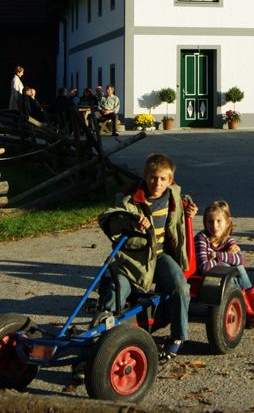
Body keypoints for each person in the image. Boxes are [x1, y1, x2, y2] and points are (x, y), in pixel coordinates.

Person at [98, 153, 198, 359]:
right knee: (117, 291)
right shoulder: (130, 200)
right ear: (145, 177)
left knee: (180, 285)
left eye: (162, 179)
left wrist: (190, 209)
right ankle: (102, 337)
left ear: (170, 180)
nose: (157, 183)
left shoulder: (173, 196)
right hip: (134, 261)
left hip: (161, 257)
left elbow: (183, 202)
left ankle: (178, 337)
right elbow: (110, 217)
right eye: (153, 177)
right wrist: (131, 221)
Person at [195, 200, 254, 328]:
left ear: (227, 222)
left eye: (219, 221)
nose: (214, 226)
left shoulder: (228, 240)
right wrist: (227, 258)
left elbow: (240, 260)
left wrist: (217, 256)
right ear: (205, 222)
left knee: (238, 267)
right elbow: (204, 267)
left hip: (222, 276)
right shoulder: (202, 239)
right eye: (210, 221)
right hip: (206, 279)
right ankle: (248, 312)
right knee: (227, 267)